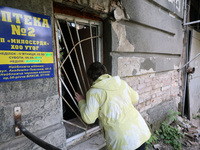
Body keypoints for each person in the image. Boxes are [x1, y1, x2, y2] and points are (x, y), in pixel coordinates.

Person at [74, 62, 151, 150]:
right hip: (139, 131)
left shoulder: (94, 92)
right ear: (105, 72)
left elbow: (89, 119)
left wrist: (82, 102)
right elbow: (135, 98)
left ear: (90, 79)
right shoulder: (121, 83)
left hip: (123, 141)